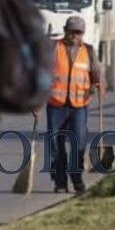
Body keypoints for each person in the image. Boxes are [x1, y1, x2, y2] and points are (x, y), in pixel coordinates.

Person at [45, 15, 102, 194]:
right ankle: (60, 182)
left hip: (79, 105)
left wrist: (96, 86)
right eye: (72, 32)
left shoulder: (89, 51)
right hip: (56, 105)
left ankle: (77, 179)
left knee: (78, 143)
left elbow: (97, 74)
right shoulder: (54, 48)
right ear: (65, 31)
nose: (75, 36)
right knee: (56, 144)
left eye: (79, 32)